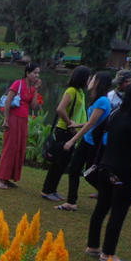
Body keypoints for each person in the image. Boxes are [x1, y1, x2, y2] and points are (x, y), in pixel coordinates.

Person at [84, 80, 131, 261]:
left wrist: (100, 159)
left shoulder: (115, 115)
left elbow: (98, 133)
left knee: (101, 207)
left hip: (106, 167)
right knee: (118, 213)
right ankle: (108, 253)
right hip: (124, 172)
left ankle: (93, 246)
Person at [58, 71, 113, 210]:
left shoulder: (103, 101)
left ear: (98, 83)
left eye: (93, 78)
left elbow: (90, 124)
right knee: (74, 169)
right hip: (88, 141)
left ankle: (111, 194)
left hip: (95, 144)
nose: (89, 80)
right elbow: (92, 122)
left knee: (89, 174)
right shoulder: (98, 100)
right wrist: (76, 125)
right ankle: (71, 202)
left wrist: (72, 140)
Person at [41, 66, 91, 201]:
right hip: (64, 130)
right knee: (58, 162)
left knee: (63, 163)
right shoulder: (71, 91)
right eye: (88, 77)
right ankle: (47, 190)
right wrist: (70, 124)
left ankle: (53, 189)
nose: (89, 80)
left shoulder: (80, 92)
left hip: (71, 130)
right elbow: (60, 109)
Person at [0, 63, 41, 190]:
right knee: (9, 148)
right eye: (34, 73)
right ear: (27, 73)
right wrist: (6, 119)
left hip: (23, 121)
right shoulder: (17, 84)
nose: (37, 75)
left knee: (19, 148)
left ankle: (8, 178)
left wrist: (36, 89)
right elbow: (8, 101)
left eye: (38, 73)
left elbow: (33, 106)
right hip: (13, 119)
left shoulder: (31, 88)